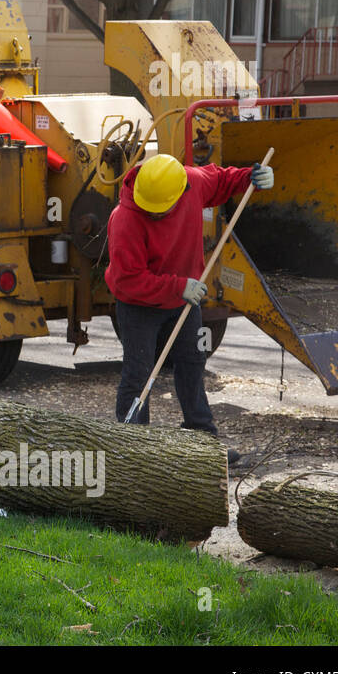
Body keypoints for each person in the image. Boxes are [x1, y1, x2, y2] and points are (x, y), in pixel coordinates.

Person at [105, 153, 274, 458]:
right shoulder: (125, 218)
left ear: (181, 193)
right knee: (138, 372)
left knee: (193, 365)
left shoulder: (191, 183)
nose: (153, 215)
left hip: (184, 301)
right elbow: (127, 281)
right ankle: (132, 448)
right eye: (150, 210)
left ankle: (202, 439)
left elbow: (223, 180)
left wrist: (253, 176)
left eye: (160, 211)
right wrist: (178, 286)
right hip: (139, 305)